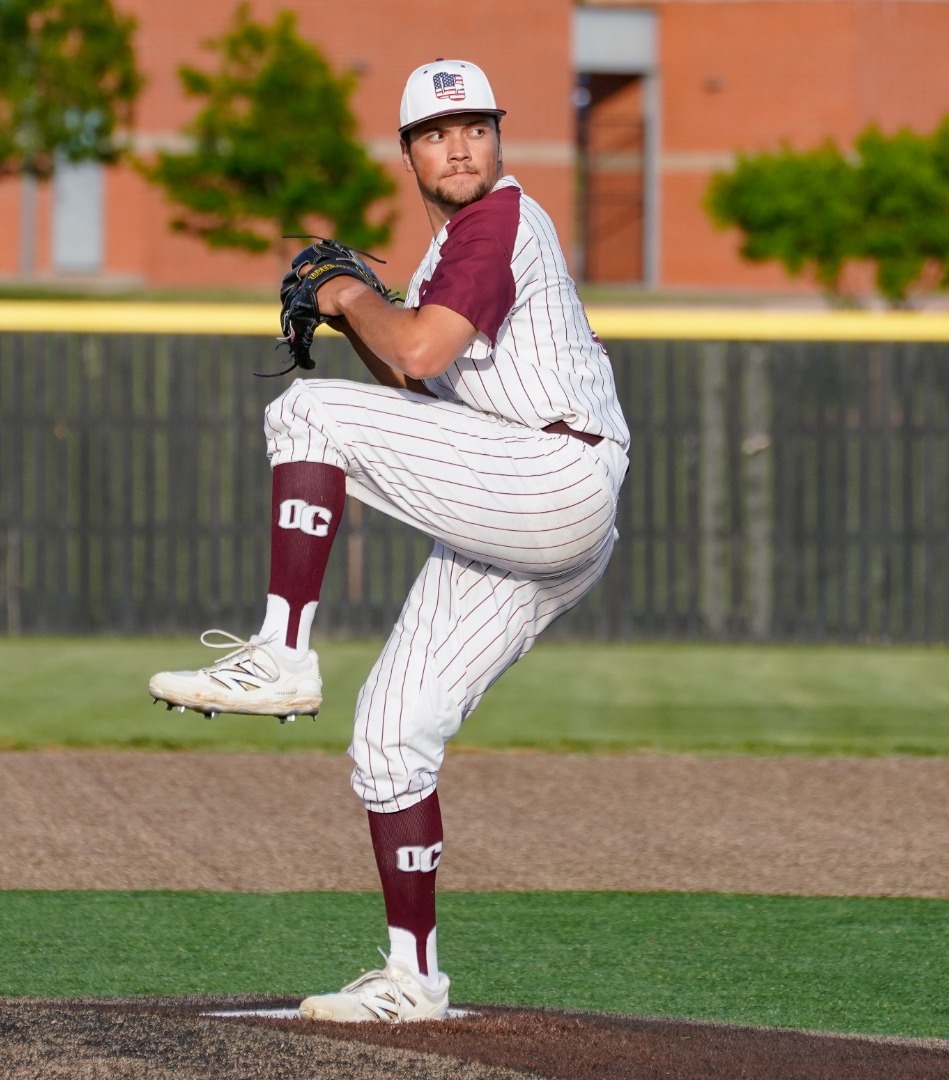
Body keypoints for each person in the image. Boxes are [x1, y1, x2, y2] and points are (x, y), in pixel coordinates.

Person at [148, 58, 630, 1023]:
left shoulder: (499, 220)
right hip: (534, 509)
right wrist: (357, 310)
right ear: (408, 154)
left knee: (308, 413)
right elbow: (414, 376)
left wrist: (341, 295)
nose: (460, 147)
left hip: (553, 474)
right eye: (436, 134)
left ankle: (283, 653)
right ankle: (414, 980)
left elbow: (411, 347)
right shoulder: (451, 255)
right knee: (390, 737)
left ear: (500, 140)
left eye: (476, 128)